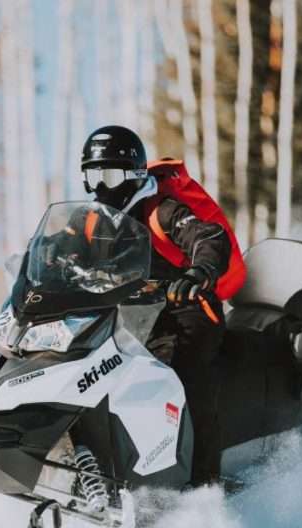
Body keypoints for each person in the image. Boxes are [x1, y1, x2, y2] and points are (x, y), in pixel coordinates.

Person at [79, 125, 234, 485]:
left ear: (132, 176)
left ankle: (201, 482)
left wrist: (199, 271)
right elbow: (61, 247)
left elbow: (207, 236)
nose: (101, 186)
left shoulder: (161, 210)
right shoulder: (91, 221)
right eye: (93, 175)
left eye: (110, 175)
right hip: (128, 317)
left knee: (180, 376)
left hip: (186, 311)